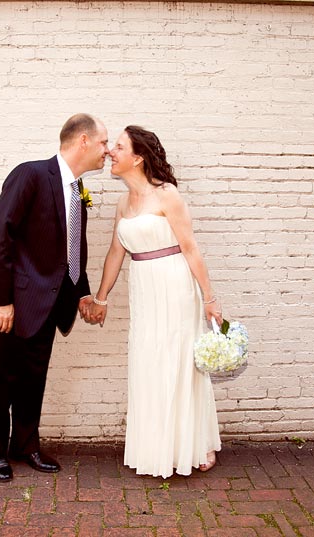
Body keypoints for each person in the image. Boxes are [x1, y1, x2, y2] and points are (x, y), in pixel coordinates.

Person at [0, 114, 109, 482]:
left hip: (50, 303)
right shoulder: (31, 175)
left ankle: (26, 445)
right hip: (12, 303)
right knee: (0, 379)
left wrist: (81, 293)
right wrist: (1, 300)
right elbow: (0, 237)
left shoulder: (77, 190)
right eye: (103, 143)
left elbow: (72, 250)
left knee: (33, 378)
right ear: (83, 140)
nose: (107, 151)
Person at [89, 125, 222, 478]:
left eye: (118, 147)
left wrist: (210, 298)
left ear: (138, 158)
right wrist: (101, 298)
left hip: (175, 285)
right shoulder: (123, 202)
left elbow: (191, 248)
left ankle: (193, 444)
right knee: (149, 361)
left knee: (178, 362)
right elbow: (116, 253)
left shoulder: (168, 195)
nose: (110, 152)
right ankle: (156, 446)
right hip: (145, 288)